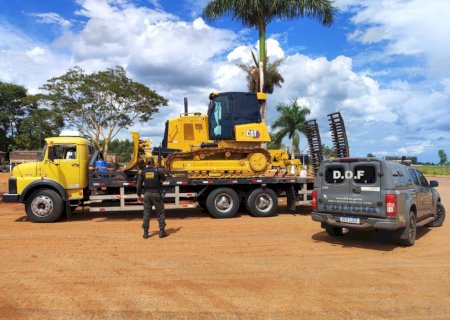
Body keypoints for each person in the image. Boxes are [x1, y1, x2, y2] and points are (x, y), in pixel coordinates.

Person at [136, 158, 167, 239]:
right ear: (154, 162)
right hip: (157, 194)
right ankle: (161, 231)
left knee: (146, 213)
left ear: (147, 163)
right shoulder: (158, 170)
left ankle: (146, 233)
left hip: (146, 194)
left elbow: (138, 185)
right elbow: (164, 178)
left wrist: (139, 195)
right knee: (160, 213)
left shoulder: (143, 172)